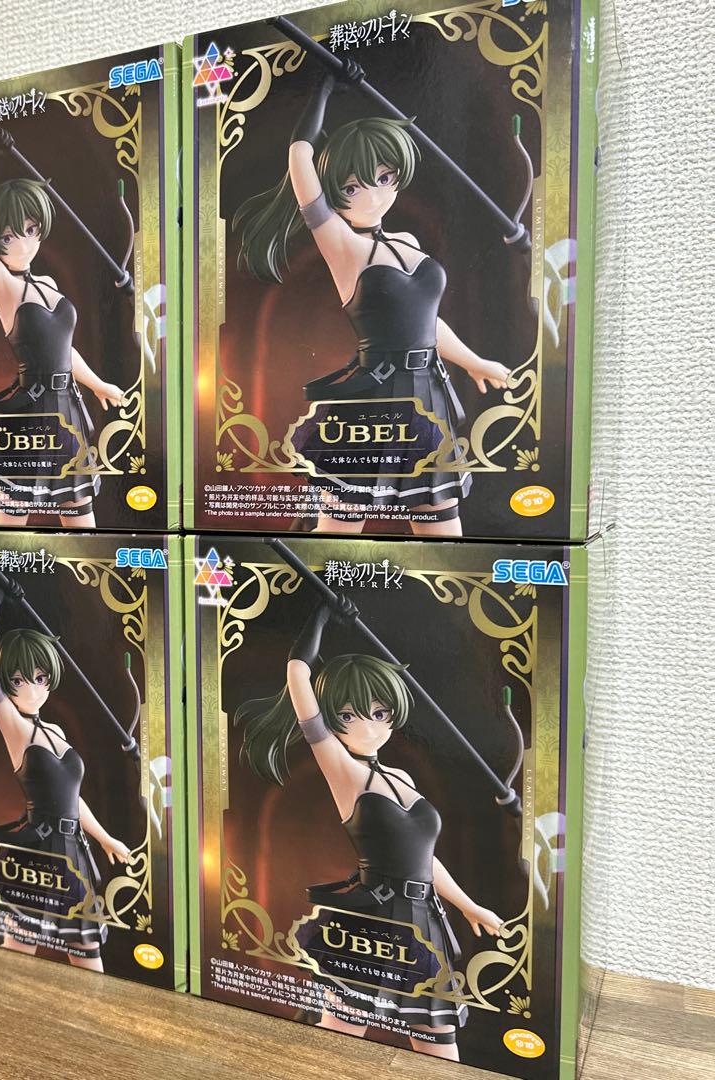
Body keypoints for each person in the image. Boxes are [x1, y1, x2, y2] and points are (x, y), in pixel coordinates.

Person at [233, 70, 511, 536]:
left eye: (384, 179)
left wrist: (472, 361)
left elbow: (425, 323)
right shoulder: (342, 245)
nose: (375, 196)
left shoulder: (407, 241)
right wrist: (323, 86)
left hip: (426, 394)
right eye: (353, 187)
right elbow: (300, 156)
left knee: (441, 526)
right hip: (373, 398)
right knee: (340, 527)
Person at [236, 600, 504, 1060]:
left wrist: (468, 905)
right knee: (341, 1036)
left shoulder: (402, 777)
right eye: (350, 715)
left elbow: (423, 859)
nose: (370, 726)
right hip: (372, 920)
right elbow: (298, 673)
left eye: (380, 713)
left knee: (438, 1043)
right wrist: (321, 612)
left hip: (423, 921)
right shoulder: (343, 771)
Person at [0, 137, 126, 528]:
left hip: (65, 408)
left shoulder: (48, 284)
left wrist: (98, 384)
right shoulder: (2, 284)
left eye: (31, 230)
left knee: (80, 515)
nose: (24, 243)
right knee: (11, 519)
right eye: (8, 236)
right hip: (31, 412)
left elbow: (63, 351)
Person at [0, 585, 130, 970]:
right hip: (37, 850)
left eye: (41, 678)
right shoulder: (14, 727)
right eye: (20, 680)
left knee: (86, 949)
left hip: (73, 850)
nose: (34, 689)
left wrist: (104, 837)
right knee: (21, 946)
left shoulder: (55, 731)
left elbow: (71, 798)